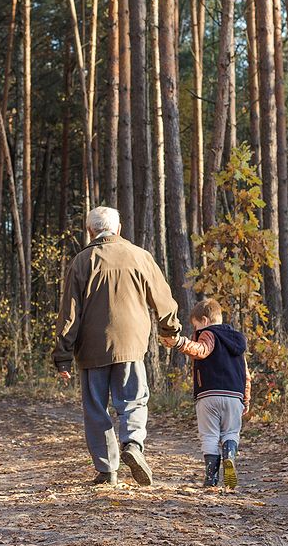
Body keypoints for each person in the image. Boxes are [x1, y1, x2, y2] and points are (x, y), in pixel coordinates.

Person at [52, 207, 181, 486]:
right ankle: (133, 445)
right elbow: (164, 299)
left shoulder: (82, 261)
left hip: (91, 348)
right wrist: (170, 330)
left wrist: (62, 356)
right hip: (131, 344)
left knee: (96, 407)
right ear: (119, 229)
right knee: (133, 399)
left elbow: (69, 315)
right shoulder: (139, 256)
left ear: (90, 231)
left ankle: (107, 470)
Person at [163, 298, 250, 490]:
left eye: (196, 327)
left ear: (204, 320)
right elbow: (246, 375)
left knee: (209, 436)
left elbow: (201, 350)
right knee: (231, 432)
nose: (196, 332)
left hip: (208, 395)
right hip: (234, 397)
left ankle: (211, 478)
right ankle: (229, 456)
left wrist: (180, 342)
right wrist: (246, 399)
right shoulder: (238, 342)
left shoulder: (209, 334)